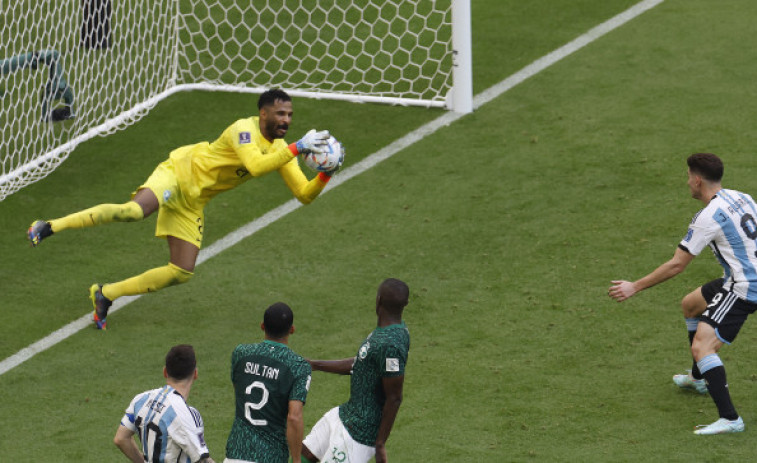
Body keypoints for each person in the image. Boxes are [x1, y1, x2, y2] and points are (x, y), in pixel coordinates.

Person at [27, 88, 341, 329]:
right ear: (262, 114)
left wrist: (326, 173)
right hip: (178, 173)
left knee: (181, 271)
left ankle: (105, 293)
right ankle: (50, 225)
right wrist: (298, 147)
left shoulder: (279, 149)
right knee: (133, 212)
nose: (286, 120)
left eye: (289, 114)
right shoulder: (242, 130)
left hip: (193, 200)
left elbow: (303, 194)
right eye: (280, 113)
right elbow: (256, 166)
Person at [608, 153, 757, 435]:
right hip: (740, 276)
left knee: (703, 346)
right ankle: (699, 379)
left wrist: (634, 286)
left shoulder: (708, 216)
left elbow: (677, 264)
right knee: (690, 305)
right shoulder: (741, 196)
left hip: (745, 286)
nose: (687, 182)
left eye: (688, 176)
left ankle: (730, 419)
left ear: (698, 180)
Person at [302, 278, 410, 462]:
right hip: (346, 414)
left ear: (378, 300)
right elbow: (363, 362)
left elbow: (395, 397)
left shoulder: (390, 345)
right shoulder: (392, 331)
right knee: (304, 453)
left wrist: (380, 443)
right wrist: (315, 364)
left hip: (359, 434)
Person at [225, 302, 311, 463]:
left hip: (235, 454)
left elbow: (239, 391)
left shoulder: (240, 354)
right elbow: (294, 417)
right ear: (292, 329)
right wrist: (297, 459)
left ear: (262, 326)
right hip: (271, 457)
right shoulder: (298, 366)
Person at [114, 344, 215, 462]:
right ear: (195, 374)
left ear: (165, 372)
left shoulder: (141, 400)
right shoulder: (187, 415)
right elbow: (202, 459)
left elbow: (120, 439)